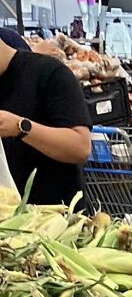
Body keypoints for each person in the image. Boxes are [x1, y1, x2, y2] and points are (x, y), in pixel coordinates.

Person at [0, 35, 92, 204]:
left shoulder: (49, 73)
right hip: (8, 222)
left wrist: (20, 127)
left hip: (55, 221)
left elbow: (81, 147)